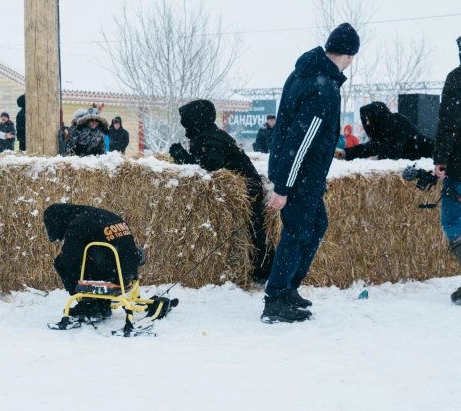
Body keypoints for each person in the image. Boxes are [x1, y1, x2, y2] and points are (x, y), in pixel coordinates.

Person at [264, 23, 359, 324]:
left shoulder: (304, 73)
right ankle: (275, 297)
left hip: (303, 174)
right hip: (300, 176)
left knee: (316, 225)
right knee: (297, 232)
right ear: (349, 55)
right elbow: (300, 140)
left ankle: (288, 289)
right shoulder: (323, 87)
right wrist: (283, 186)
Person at [169, 99, 273, 283]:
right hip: (242, 187)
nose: (185, 128)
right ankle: (263, 269)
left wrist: (183, 158)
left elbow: (210, 163)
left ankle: (265, 270)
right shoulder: (209, 134)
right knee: (252, 228)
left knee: (253, 228)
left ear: (196, 121)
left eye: (187, 123)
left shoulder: (211, 138)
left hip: (246, 188)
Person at [43, 204, 145, 319]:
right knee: (96, 258)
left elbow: (70, 258)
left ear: (58, 221)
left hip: (113, 276)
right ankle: (102, 304)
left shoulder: (77, 227)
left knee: (61, 263)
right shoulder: (103, 215)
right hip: (129, 272)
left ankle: (88, 305)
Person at [433, 36, 461, 306]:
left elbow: (450, 121)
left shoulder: (457, 78)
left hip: (460, 167)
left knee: (453, 222)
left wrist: (441, 157)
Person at [337, 102, 434, 161]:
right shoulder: (384, 131)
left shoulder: (397, 122)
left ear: (376, 117)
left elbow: (391, 151)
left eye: (368, 119)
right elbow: (371, 147)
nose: (367, 123)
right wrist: (346, 153)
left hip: (429, 156)